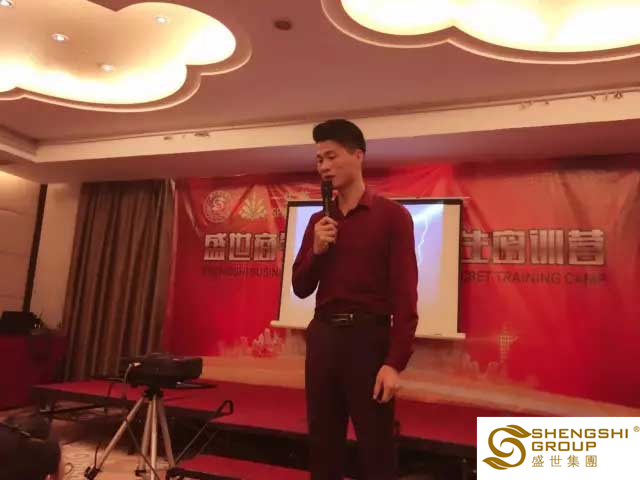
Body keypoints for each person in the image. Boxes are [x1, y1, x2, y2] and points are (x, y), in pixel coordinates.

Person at [292, 119, 418, 479]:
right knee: (323, 444)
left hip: (368, 341)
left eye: (331, 156)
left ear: (358, 155)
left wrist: (394, 363)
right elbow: (300, 287)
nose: (324, 167)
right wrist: (316, 251)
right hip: (323, 339)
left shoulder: (392, 217)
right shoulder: (318, 221)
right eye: (319, 160)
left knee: (376, 447)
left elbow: (405, 295)